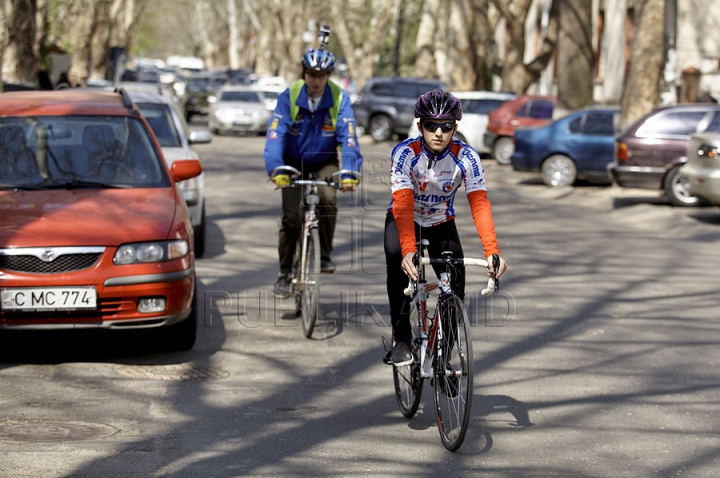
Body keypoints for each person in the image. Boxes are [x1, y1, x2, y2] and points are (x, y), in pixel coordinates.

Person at [385, 89, 508, 366]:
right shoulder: (405, 154)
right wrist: (407, 250)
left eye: (446, 126)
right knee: (396, 263)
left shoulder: (467, 157)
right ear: (420, 127)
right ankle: (402, 339)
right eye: (431, 126)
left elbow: (480, 204)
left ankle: (444, 358)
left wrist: (492, 251)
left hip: (442, 224)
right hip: (405, 221)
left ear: (455, 128)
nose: (438, 133)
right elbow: (402, 205)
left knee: (455, 286)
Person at [264, 46, 363, 299]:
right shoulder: (290, 95)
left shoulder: (339, 98)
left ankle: (325, 254)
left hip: (324, 160)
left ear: (329, 75)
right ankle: (285, 273)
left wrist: (350, 171)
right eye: (311, 74)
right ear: (304, 73)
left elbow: (349, 137)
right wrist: (276, 168)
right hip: (292, 161)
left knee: (328, 197)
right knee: (291, 216)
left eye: (321, 75)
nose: (316, 80)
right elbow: (276, 135)